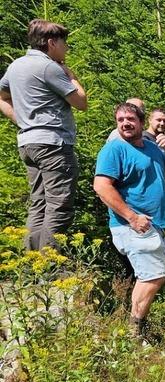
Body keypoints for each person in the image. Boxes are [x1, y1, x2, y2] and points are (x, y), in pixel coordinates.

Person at [93, 103, 165, 341]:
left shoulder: (153, 148)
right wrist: (132, 217)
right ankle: (135, 332)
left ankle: (137, 326)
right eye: (120, 119)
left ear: (142, 122)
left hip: (155, 225)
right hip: (133, 226)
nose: (125, 123)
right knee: (153, 277)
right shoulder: (114, 149)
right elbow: (101, 186)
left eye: (130, 119)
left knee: (148, 276)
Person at [0, 19, 87, 250]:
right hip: (53, 145)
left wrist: (23, 121)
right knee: (59, 205)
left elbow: (1, 97)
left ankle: (31, 263)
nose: (66, 48)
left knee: (39, 203)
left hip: (28, 143)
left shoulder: (16, 66)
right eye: (64, 42)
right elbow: (81, 102)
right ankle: (51, 265)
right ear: (51, 43)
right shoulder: (50, 67)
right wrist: (70, 74)